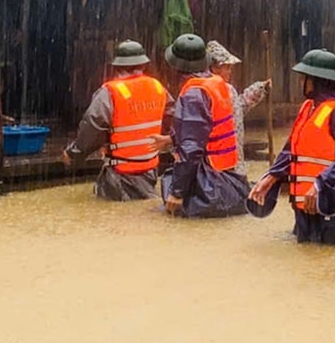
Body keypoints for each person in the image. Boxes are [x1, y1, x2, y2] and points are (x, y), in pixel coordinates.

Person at [247, 49, 335, 245]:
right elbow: (291, 149)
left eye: (304, 78)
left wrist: (322, 183)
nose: (301, 82)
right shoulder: (309, 107)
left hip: (334, 214)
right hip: (306, 210)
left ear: (317, 80)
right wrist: (272, 176)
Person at [62, 40, 170, 201]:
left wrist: (73, 153)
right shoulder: (157, 87)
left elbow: (92, 126)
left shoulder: (110, 92)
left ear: (116, 66)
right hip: (150, 169)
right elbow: (176, 119)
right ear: (143, 64)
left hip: (120, 173)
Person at [159, 33, 250, 218]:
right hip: (226, 173)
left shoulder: (194, 93)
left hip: (207, 175)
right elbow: (207, 128)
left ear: (177, 67)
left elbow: (191, 147)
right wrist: (172, 138)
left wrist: (177, 192)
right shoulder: (217, 83)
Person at [206, 40, 271, 175]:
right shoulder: (206, 92)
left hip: (234, 159)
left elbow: (239, 108)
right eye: (227, 67)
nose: (230, 72)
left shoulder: (228, 90)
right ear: (215, 68)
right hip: (217, 162)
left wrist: (259, 88)